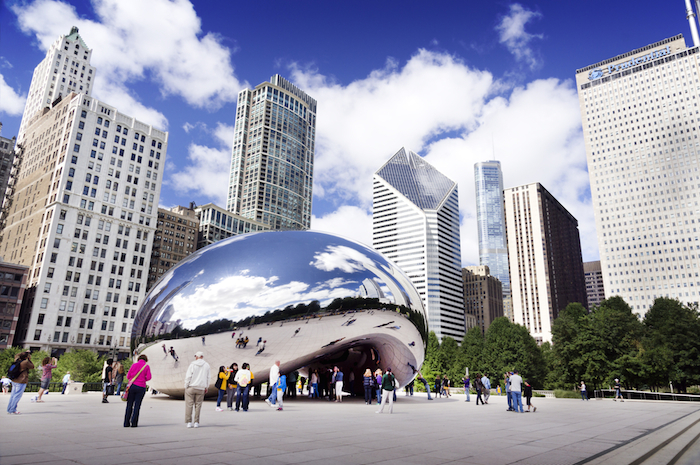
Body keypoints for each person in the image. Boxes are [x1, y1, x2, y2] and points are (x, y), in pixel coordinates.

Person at [124, 354, 152, 427]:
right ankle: (134, 423)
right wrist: (143, 379)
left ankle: (126, 423)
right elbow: (149, 377)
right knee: (137, 405)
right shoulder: (146, 366)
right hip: (141, 387)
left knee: (129, 405)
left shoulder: (133, 365)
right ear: (146, 360)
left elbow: (128, 376)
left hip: (132, 386)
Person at [184, 351, 210, 428]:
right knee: (198, 405)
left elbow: (188, 376)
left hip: (191, 387)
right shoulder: (206, 365)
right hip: (201, 388)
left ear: (197, 357)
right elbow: (208, 377)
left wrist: (186, 385)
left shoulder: (192, 364)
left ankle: (189, 422)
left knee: (189, 405)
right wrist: (206, 387)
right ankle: (196, 422)